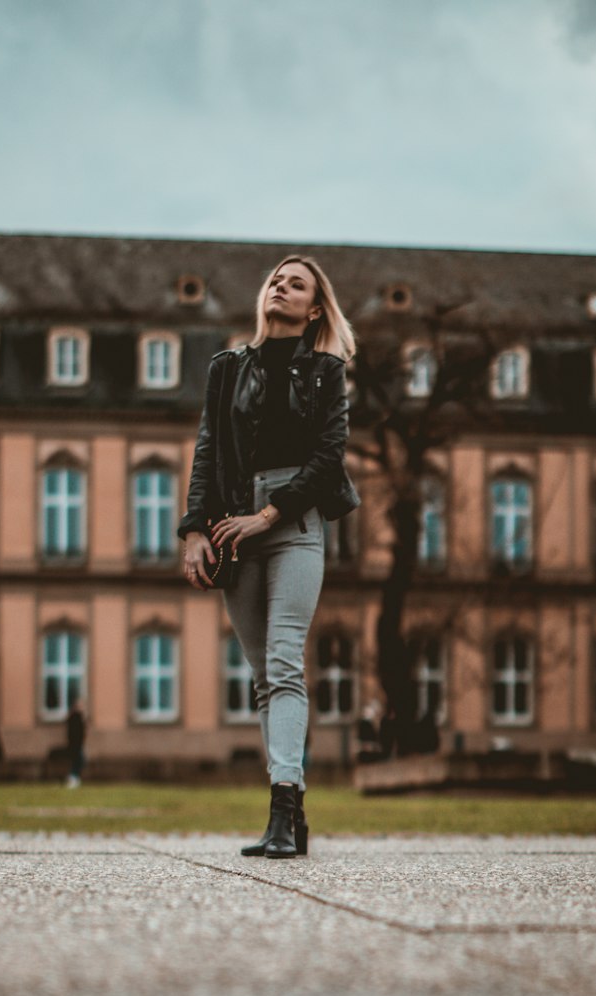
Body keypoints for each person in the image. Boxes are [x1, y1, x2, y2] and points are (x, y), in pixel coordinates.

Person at [178, 256, 360, 858]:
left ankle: (282, 811)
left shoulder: (326, 371)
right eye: (276, 279)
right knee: (264, 679)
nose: (280, 286)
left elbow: (329, 455)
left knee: (284, 667)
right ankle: (293, 812)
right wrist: (193, 530)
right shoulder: (227, 368)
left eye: (296, 283)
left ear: (314, 310)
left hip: (293, 523)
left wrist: (270, 513)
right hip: (233, 525)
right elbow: (209, 448)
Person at [65, 700, 86, 787]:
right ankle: (73, 778)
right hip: (76, 745)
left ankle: (74, 778)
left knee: (79, 761)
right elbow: (75, 733)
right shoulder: (75, 718)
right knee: (79, 761)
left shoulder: (77, 717)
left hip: (77, 744)